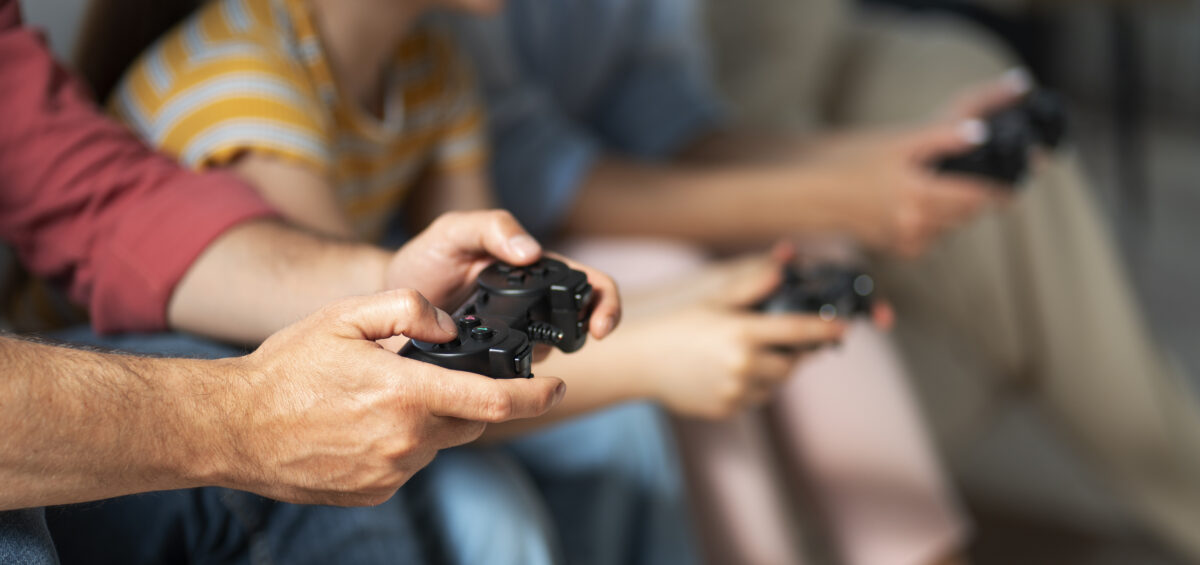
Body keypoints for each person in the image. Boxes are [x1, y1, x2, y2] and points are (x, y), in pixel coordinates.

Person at [450, 0, 1200, 561]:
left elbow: (669, 118)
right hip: (529, 235)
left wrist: (885, 167)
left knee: (801, 245)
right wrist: (847, 197)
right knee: (683, 274)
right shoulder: (446, 54)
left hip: (591, 190)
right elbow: (529, 170)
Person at [0, 1, 622, 562]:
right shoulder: (246, 81)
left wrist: (384, 279)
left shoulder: (438, 66)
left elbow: (85, 195)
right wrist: (247, 418)